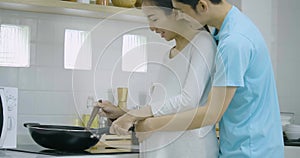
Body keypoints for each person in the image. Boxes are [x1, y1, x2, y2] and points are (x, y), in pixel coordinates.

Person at [135, 0, 285, 157]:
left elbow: (212, 113)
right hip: (242, 145)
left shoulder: (234, 42)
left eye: (180, 11)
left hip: (251, 150)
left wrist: (152, 124)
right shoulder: (230, 28)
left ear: (202, 6)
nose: (178, 16)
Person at [98, 0, 219, 157]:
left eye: (154, 18)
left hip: (189, 151)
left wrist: (133, 115)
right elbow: (159, 107)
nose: (151, 27)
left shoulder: (203, 43)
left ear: (176, 13)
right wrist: (122, 112)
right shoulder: (167, 55)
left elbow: (188, 100)